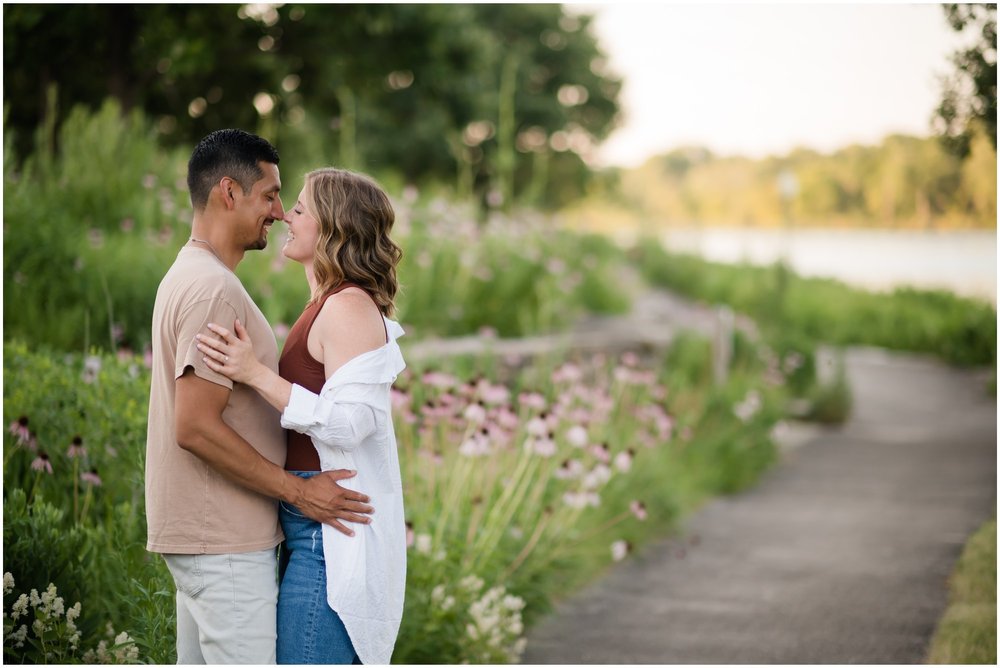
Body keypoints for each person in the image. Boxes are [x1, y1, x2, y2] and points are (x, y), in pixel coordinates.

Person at [145, 130, 374, 665]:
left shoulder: (194, 275)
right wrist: (298, 494)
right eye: (269, 195)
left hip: (211, 535)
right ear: (229, 192)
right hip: (223, 539)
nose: (277, 212)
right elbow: (195, 426)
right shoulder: (212, 288)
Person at [195, 167, 407, 664]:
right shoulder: (326, 304)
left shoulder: (349, 306)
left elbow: (352, 422)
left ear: (332, 227)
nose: (284, 215)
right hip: (308, 525)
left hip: (327, 538)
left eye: (299, 209)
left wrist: (255, 373)